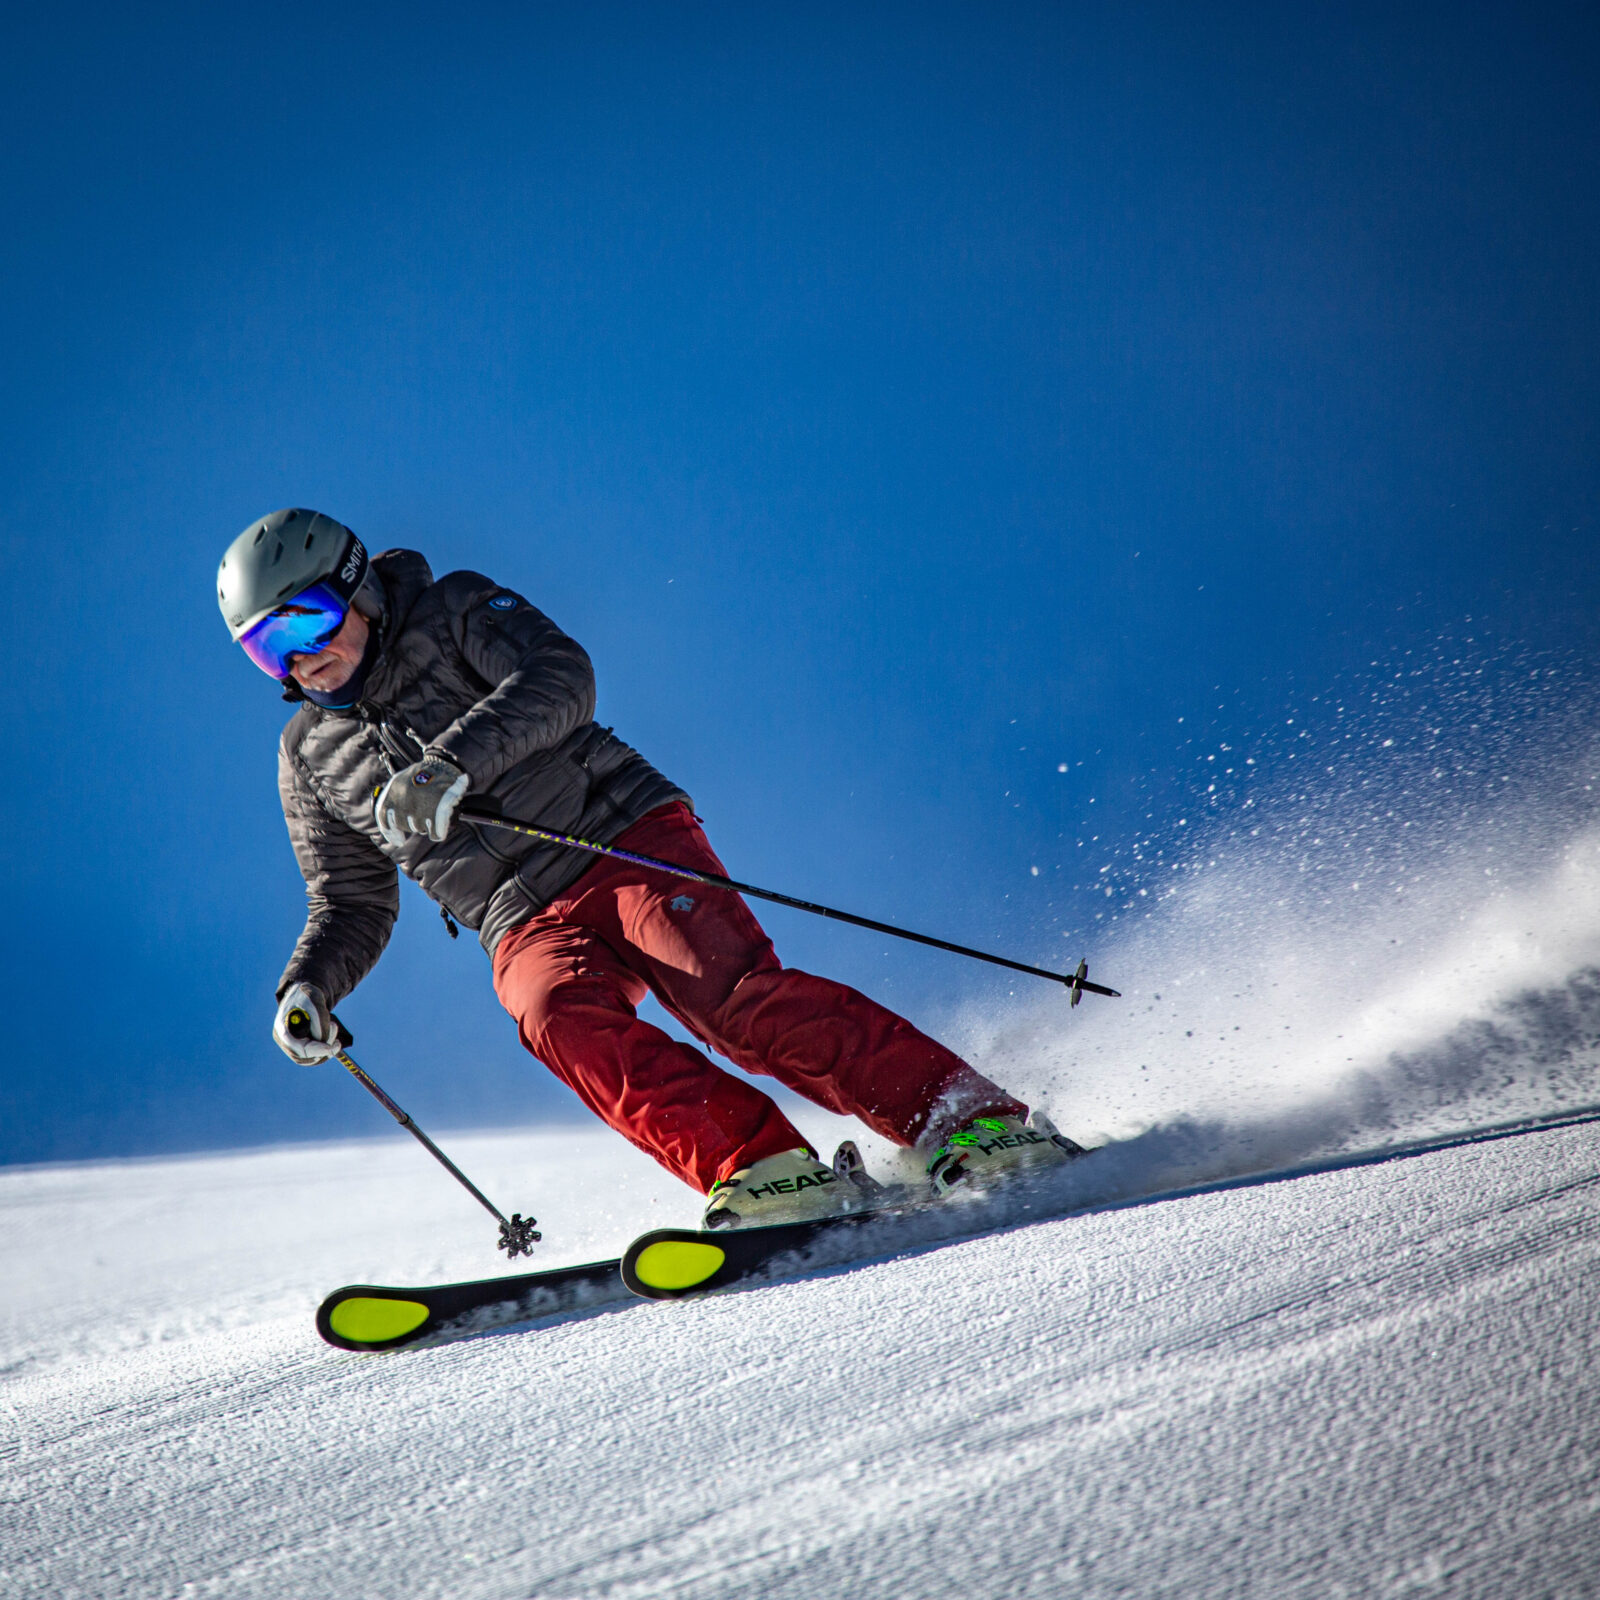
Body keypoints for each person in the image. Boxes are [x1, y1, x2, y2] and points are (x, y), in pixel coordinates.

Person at [218, 509, 1081, 1229]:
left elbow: (560, 678)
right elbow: (350, 899)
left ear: (359, 585)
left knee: (730, 1001)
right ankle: (768, 1169)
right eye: (266, 650)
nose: (298, 659)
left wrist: (453, 764)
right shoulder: (308, 756)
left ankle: (969, 1123)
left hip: (617, 836)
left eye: (307, 621)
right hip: (518, 921)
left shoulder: (453, 610)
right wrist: (310, 987)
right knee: (555, 1017)